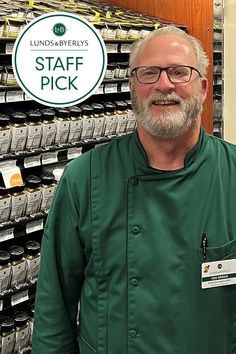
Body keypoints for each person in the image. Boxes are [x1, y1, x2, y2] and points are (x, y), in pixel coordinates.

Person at [32, 25, 236, 354]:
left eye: (179, 72)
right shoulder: (83, 178)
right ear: (132, 88)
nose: (163, 84)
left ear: (202, 88)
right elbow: (54, 309)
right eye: (149, 73)